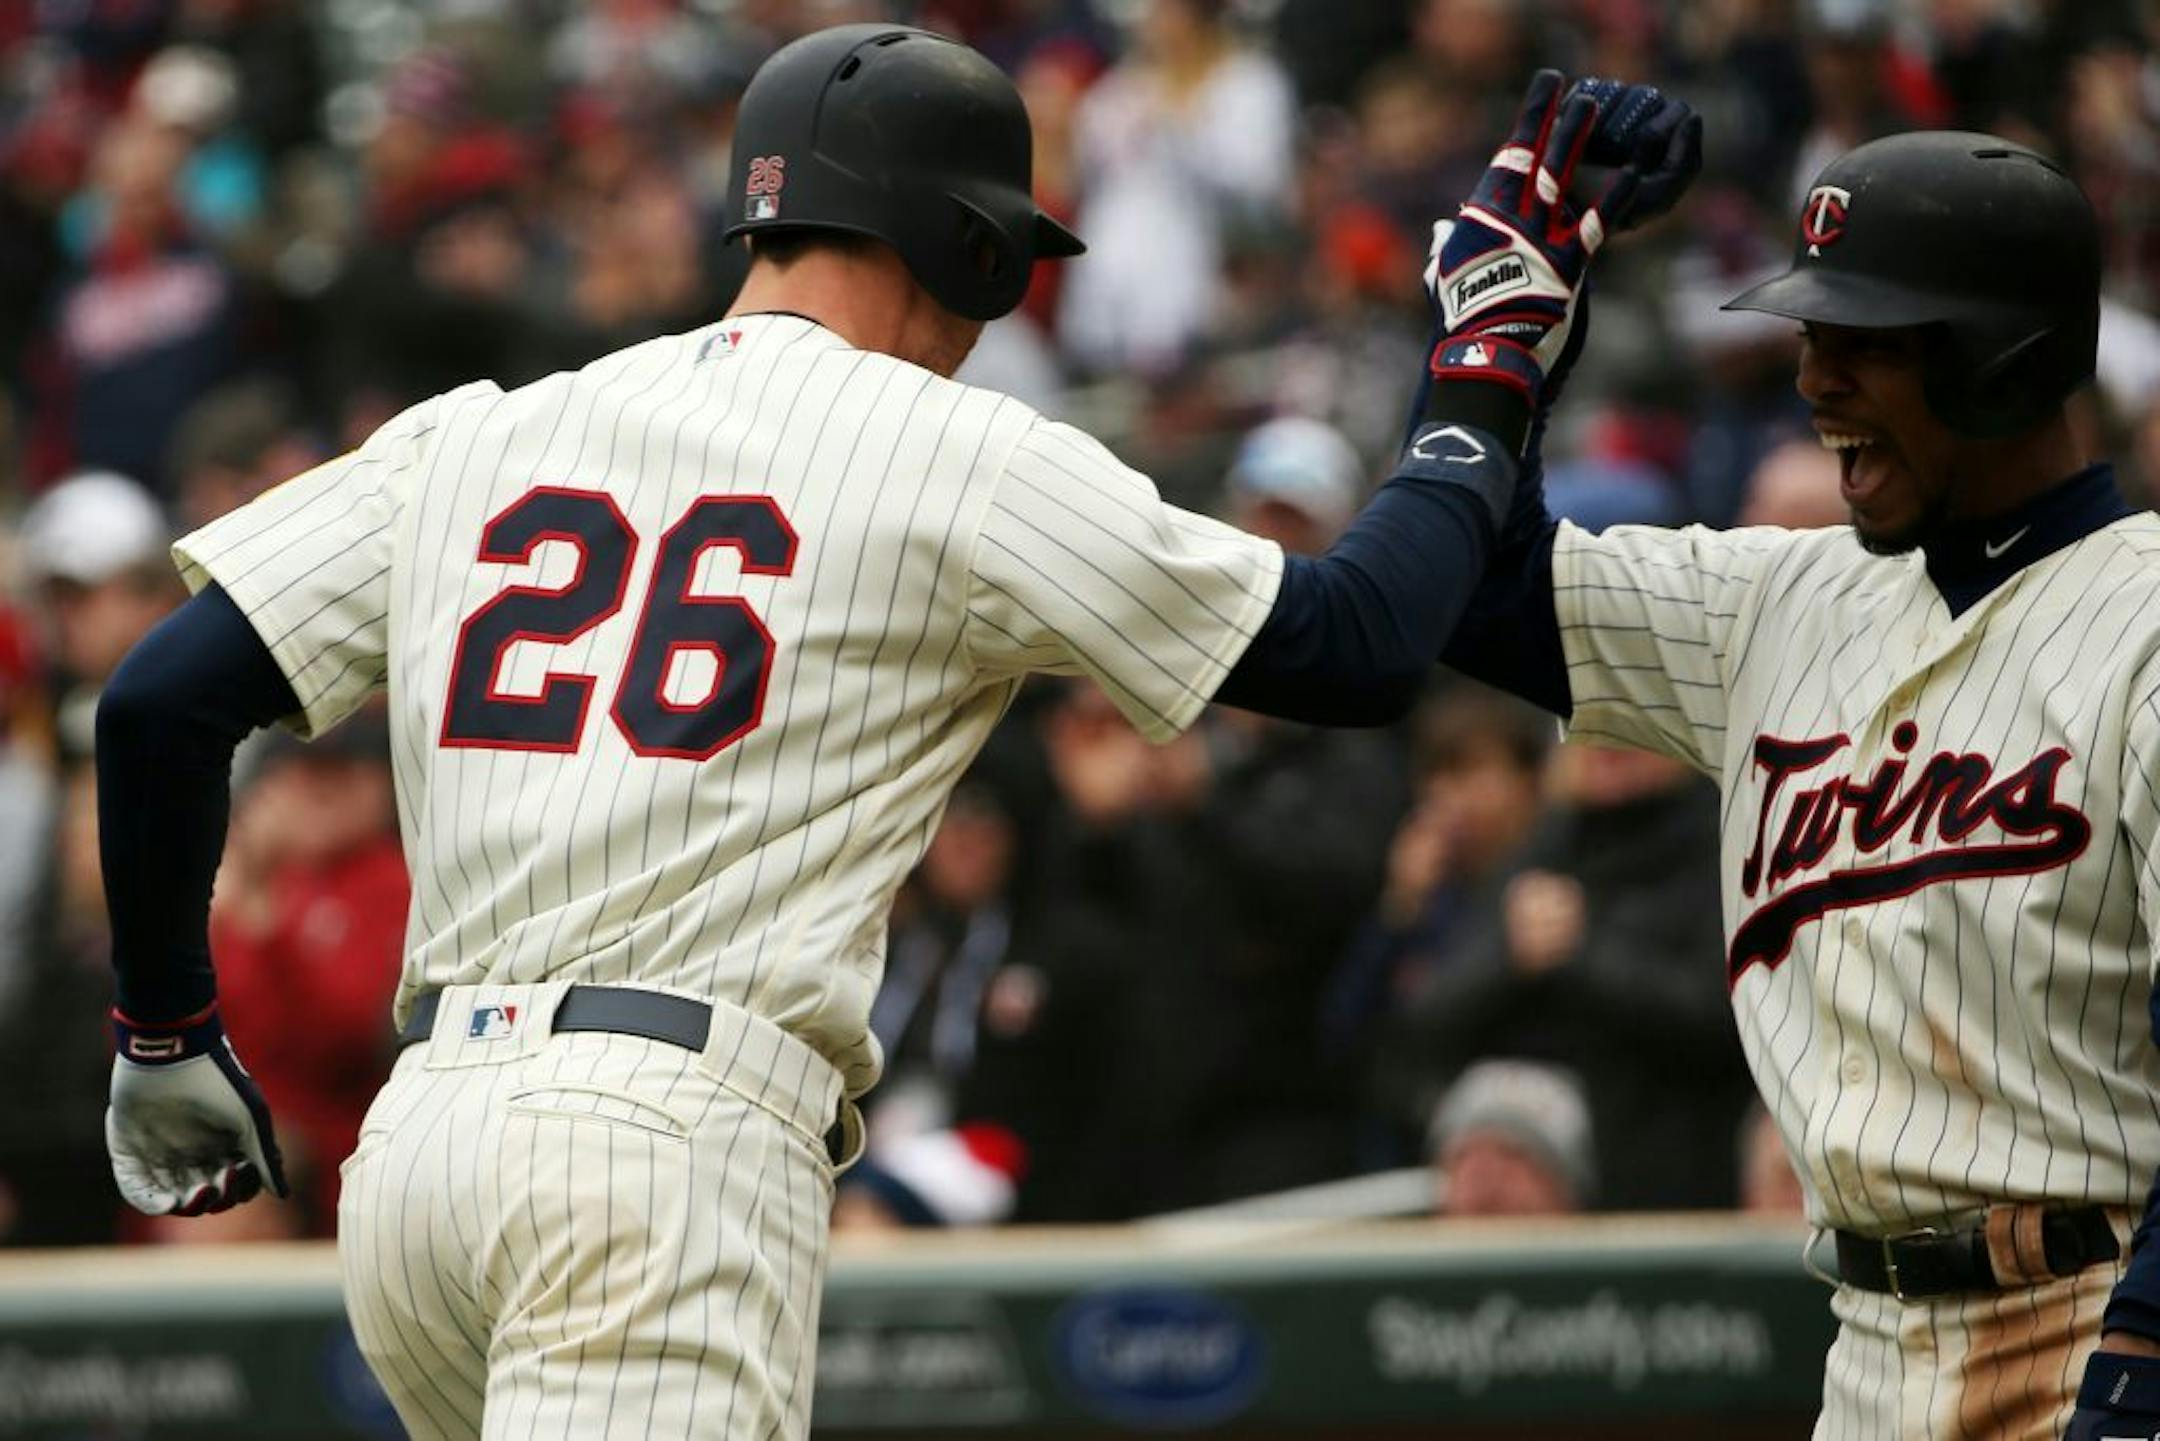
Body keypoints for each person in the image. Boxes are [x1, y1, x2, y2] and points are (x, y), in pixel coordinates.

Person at [91, 32, 1689, 1441]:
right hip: (656, 1146)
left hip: (420, 1151)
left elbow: (161, 699)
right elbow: (1355, 646)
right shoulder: (951, 451)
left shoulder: (480, 429)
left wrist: (164, 1027)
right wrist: (1480, 376)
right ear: (975, 249)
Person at [1439, 126, 2160, 1438]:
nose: (1815, 377)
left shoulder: (2146, 619)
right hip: (1867, 1350)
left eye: (1868, 340)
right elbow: (1466, 585)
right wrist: (1496, 358)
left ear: (2011, 357)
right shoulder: (1779, 597)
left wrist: (2148, 1360)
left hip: (2095, 1318)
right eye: (1812, 333)